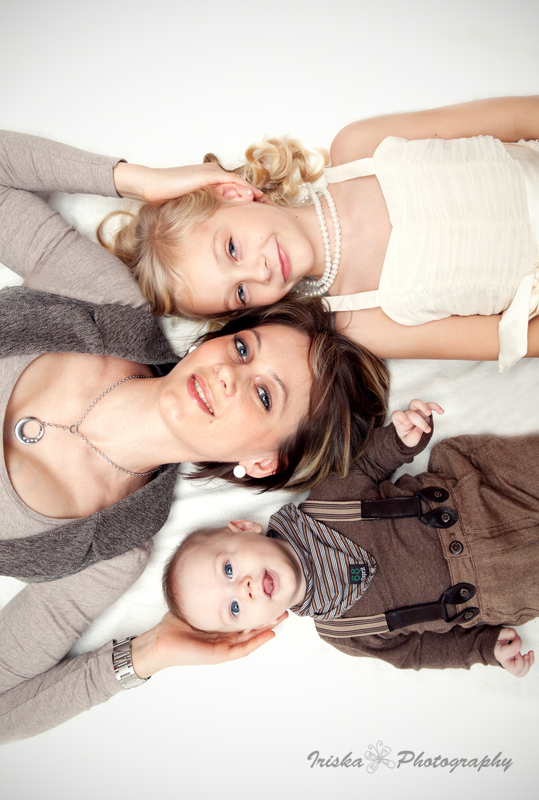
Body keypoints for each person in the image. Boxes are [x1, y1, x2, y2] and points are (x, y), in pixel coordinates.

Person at [0, 132, 388, 742]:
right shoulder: (104, 301)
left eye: (265, 396)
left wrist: (147, 655)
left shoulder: (106, 550)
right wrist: (139, 180)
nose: (230, 375)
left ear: (260, 462)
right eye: (243, 348)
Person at [102, 96, 539, 371]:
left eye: (232, 249)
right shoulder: (364, 323)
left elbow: (516, 118)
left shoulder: (361, 148)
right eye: (240, 292)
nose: (258, 271)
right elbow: (511, 337)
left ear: (234, 193)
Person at [163, 399, 537, 676]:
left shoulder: (328, 501)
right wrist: (483, 648)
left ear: (244, 528)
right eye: (234, 609)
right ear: (260, 626)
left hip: (477, 491)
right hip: (504, 583)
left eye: (228, 569)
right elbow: (416, 651)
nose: (243, 589)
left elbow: (369, 462)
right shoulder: (345, 633)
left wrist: (401, 439)